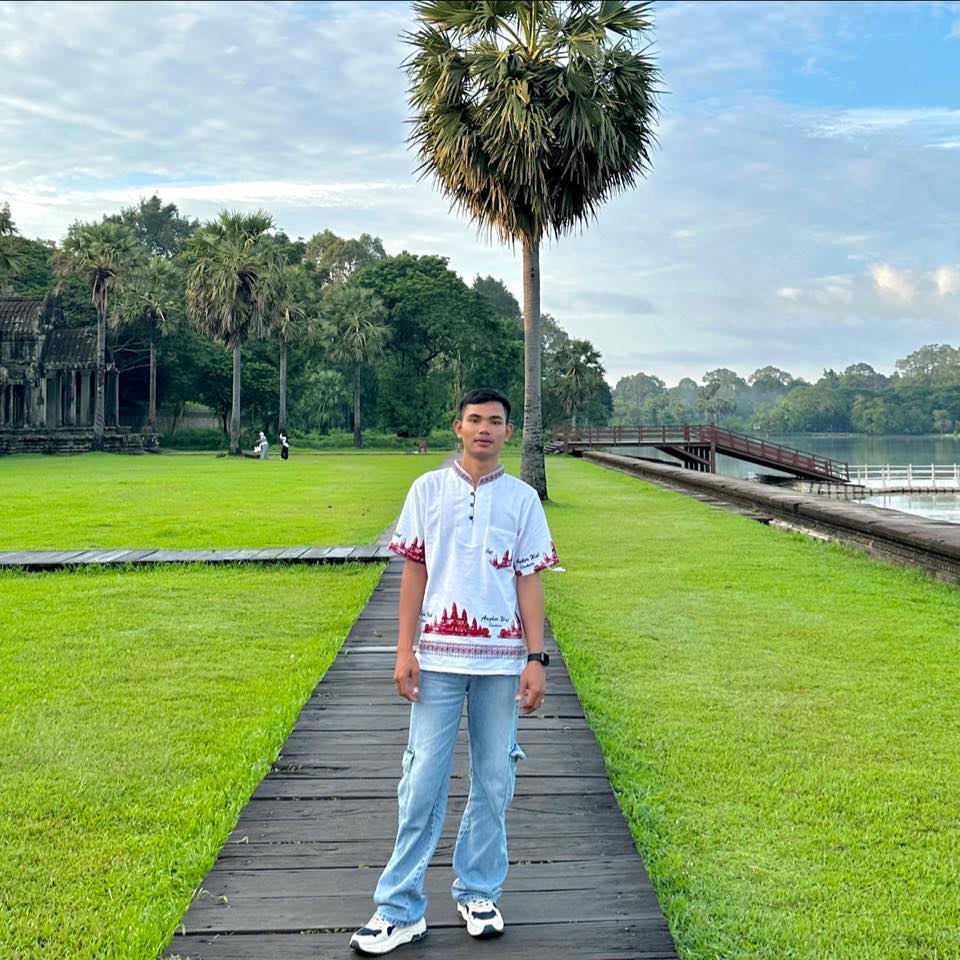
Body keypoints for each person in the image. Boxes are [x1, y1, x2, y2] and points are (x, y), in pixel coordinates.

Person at [350, 388, 559, 956]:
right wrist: (404, 649)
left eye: (495, 421)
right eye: (475, 419)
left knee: (494, 779)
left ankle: (478, 890)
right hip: (438, 658)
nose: (485, 428)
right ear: (458, 427)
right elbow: (414, 571)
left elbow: (529, 579)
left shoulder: (522, 500)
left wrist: (536, 658)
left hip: (501, 663)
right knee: (422, 780)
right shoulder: (427, 490)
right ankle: (400, 908)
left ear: (509, 432)